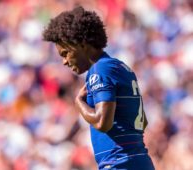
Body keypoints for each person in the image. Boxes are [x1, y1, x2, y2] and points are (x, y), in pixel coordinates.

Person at [43, 6, 155, 170]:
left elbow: (103, 122)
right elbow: (142, 121)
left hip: (120, 163)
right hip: (139, 161)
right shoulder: (121, 67)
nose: (64, 61)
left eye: (65, 53)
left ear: (81, 44)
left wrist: (79, 103)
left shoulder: (100, 69)